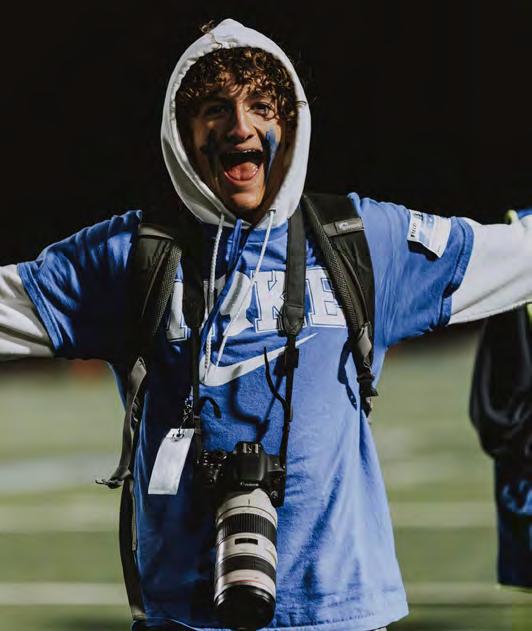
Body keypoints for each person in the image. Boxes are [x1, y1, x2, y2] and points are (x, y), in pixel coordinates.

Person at [1, 17, 531, 631]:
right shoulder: (127, 257)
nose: (241, 126)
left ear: (292, 124)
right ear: (182, 131)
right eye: (215, 108)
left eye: (261, 105)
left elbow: (515, 255)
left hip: (337, 614)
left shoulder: (362, 241)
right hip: (184, 615)